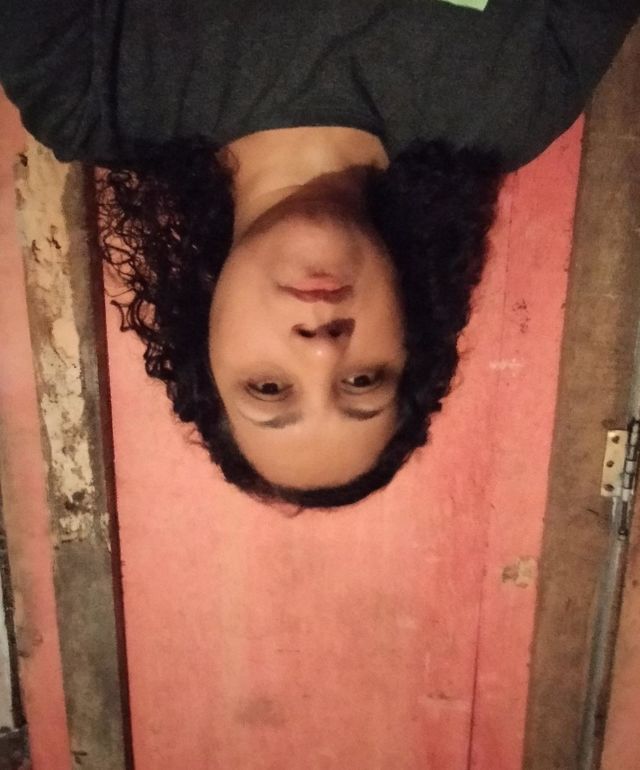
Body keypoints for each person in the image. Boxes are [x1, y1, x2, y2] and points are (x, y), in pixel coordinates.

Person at [1, 1, 638, 508]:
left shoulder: (90, 91)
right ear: (411, 334)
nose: (322, 349)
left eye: (268, 388)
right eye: (364, 381)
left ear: (203, 346)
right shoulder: (512, 102)